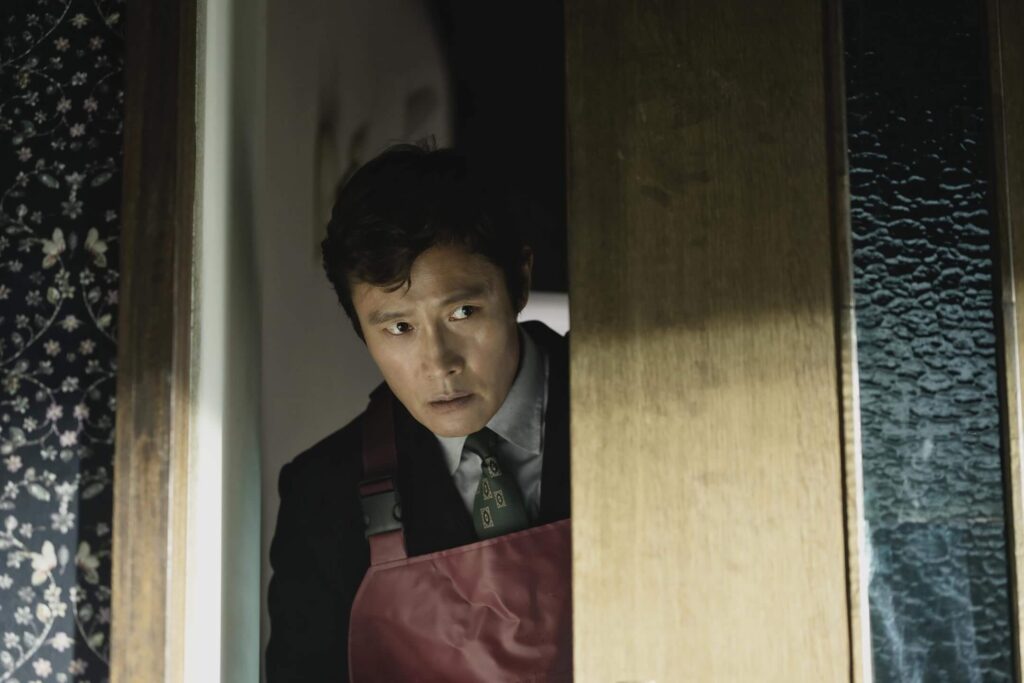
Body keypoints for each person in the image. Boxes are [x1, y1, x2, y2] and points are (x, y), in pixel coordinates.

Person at [265, 144, 572, 681]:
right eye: (399, 328)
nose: (438, 364)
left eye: (463, 312)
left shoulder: (641, 410)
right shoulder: (323, 497)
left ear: (520, 281)